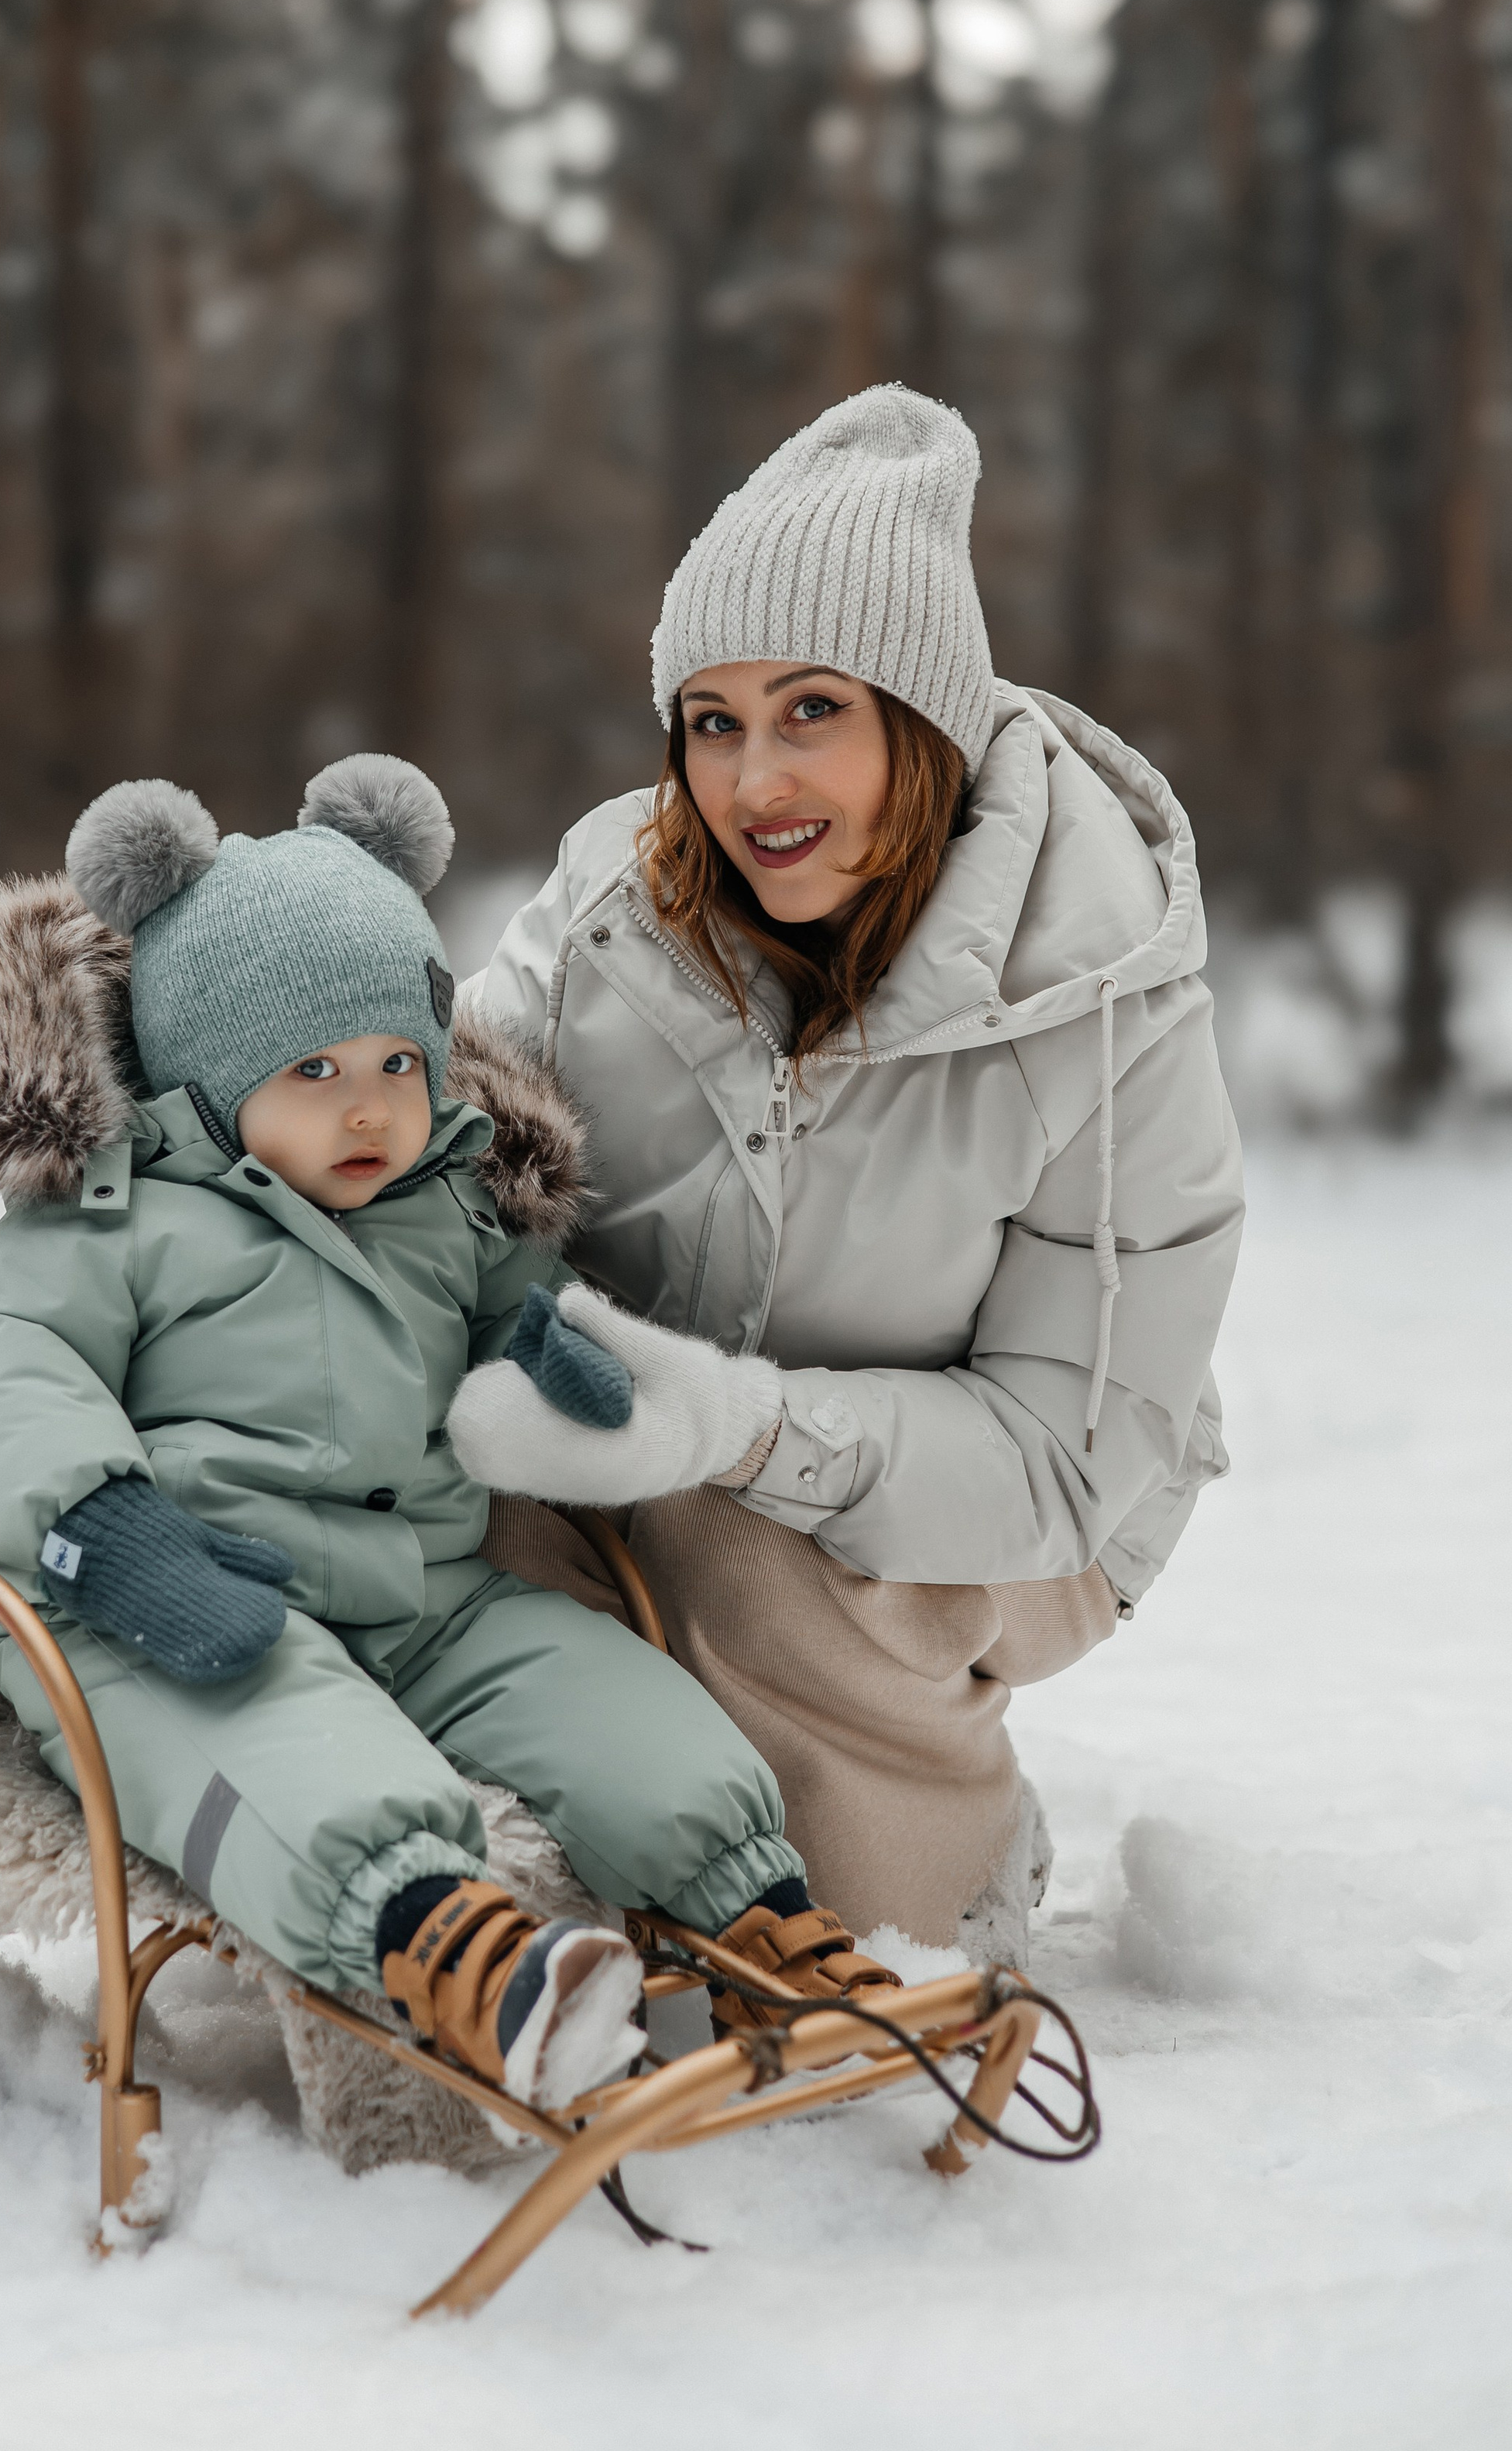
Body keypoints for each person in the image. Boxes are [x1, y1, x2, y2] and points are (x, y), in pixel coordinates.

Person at [0, 753, 898, 2114]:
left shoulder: (440, 1201)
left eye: (394, 1062)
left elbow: (502, 1296)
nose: (367, 1105)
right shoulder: (123, 1213)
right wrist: (104, 1527)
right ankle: (467, 1961)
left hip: (425, 1594)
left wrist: (543, 1342)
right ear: (211, 1070)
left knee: (627, 1713)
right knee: (296, 1759)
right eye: (313, 1069)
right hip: (191, 1602)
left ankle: (762, 1926)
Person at [448, 385, 1245, 1965]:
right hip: (650, 1423)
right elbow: (443, 1147)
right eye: (712, 721)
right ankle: (552, 1836)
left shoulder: (1100, 996)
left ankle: (944, 1867)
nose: (752, 784)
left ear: (918, 725)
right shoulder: (614, 909)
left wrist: (738, 1426)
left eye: (811, 709)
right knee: (471, 1512)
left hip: (1045, 1492)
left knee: (742, 1570)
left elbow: (1056, 1454)